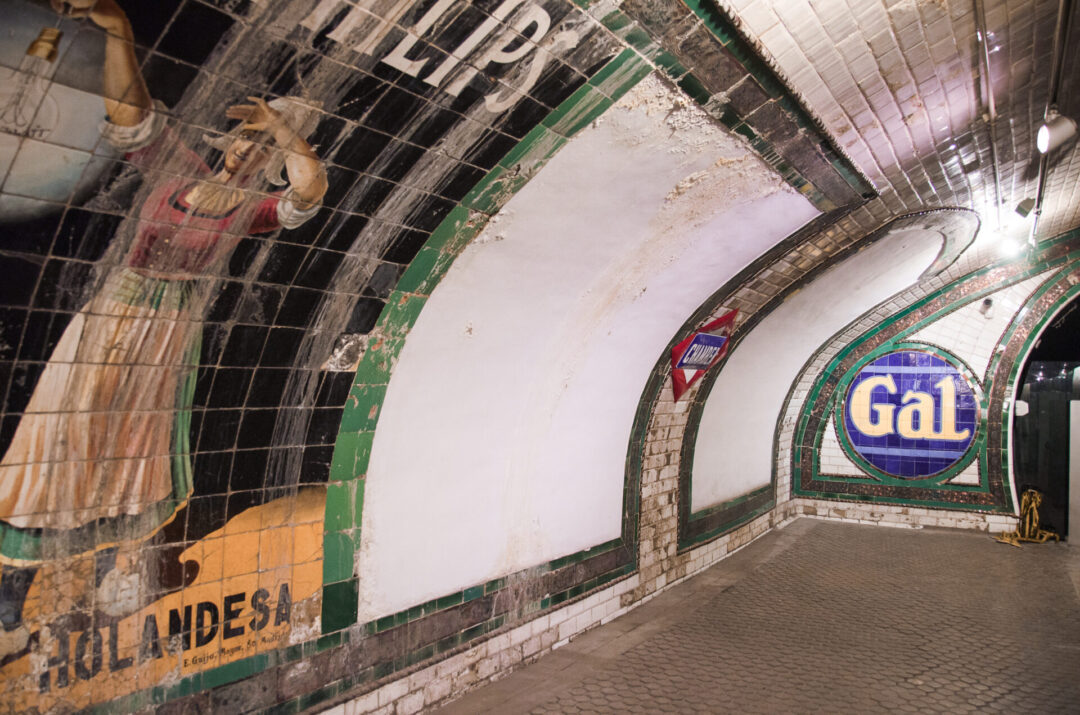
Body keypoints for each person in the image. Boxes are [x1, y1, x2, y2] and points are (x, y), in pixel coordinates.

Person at [0, 0, 328, 659]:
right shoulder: (178, 168)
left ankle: (97, 578)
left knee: (131, 455)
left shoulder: (255, 210)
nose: (245, 148)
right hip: (115, 318)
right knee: (62, 434)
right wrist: (117, 27)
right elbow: (131, 114)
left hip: (169, 335)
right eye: (245, 136)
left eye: (261, 145)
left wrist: (288, 134)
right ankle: (11, 587)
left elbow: (310, 192)